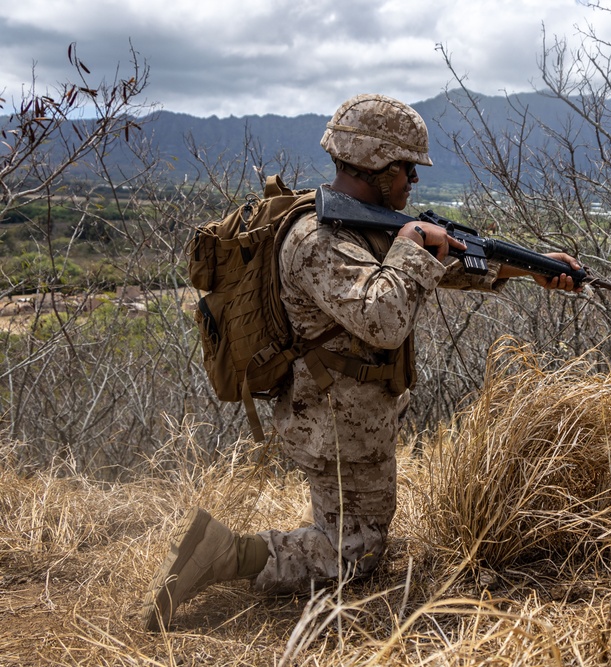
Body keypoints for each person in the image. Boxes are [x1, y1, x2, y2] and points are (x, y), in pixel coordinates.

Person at [140, 93, 581, 630]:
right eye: (408, 172)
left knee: (348, 527)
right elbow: (384, 316)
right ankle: (222, 553)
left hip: (343, 414)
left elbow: (438, 268)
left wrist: (528, 268)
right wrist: (416, 243)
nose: (413, 183)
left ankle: (247, 548)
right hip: (334, 419)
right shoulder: (317, 239)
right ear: (380, 167)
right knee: (355, 555)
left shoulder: (360, 226)